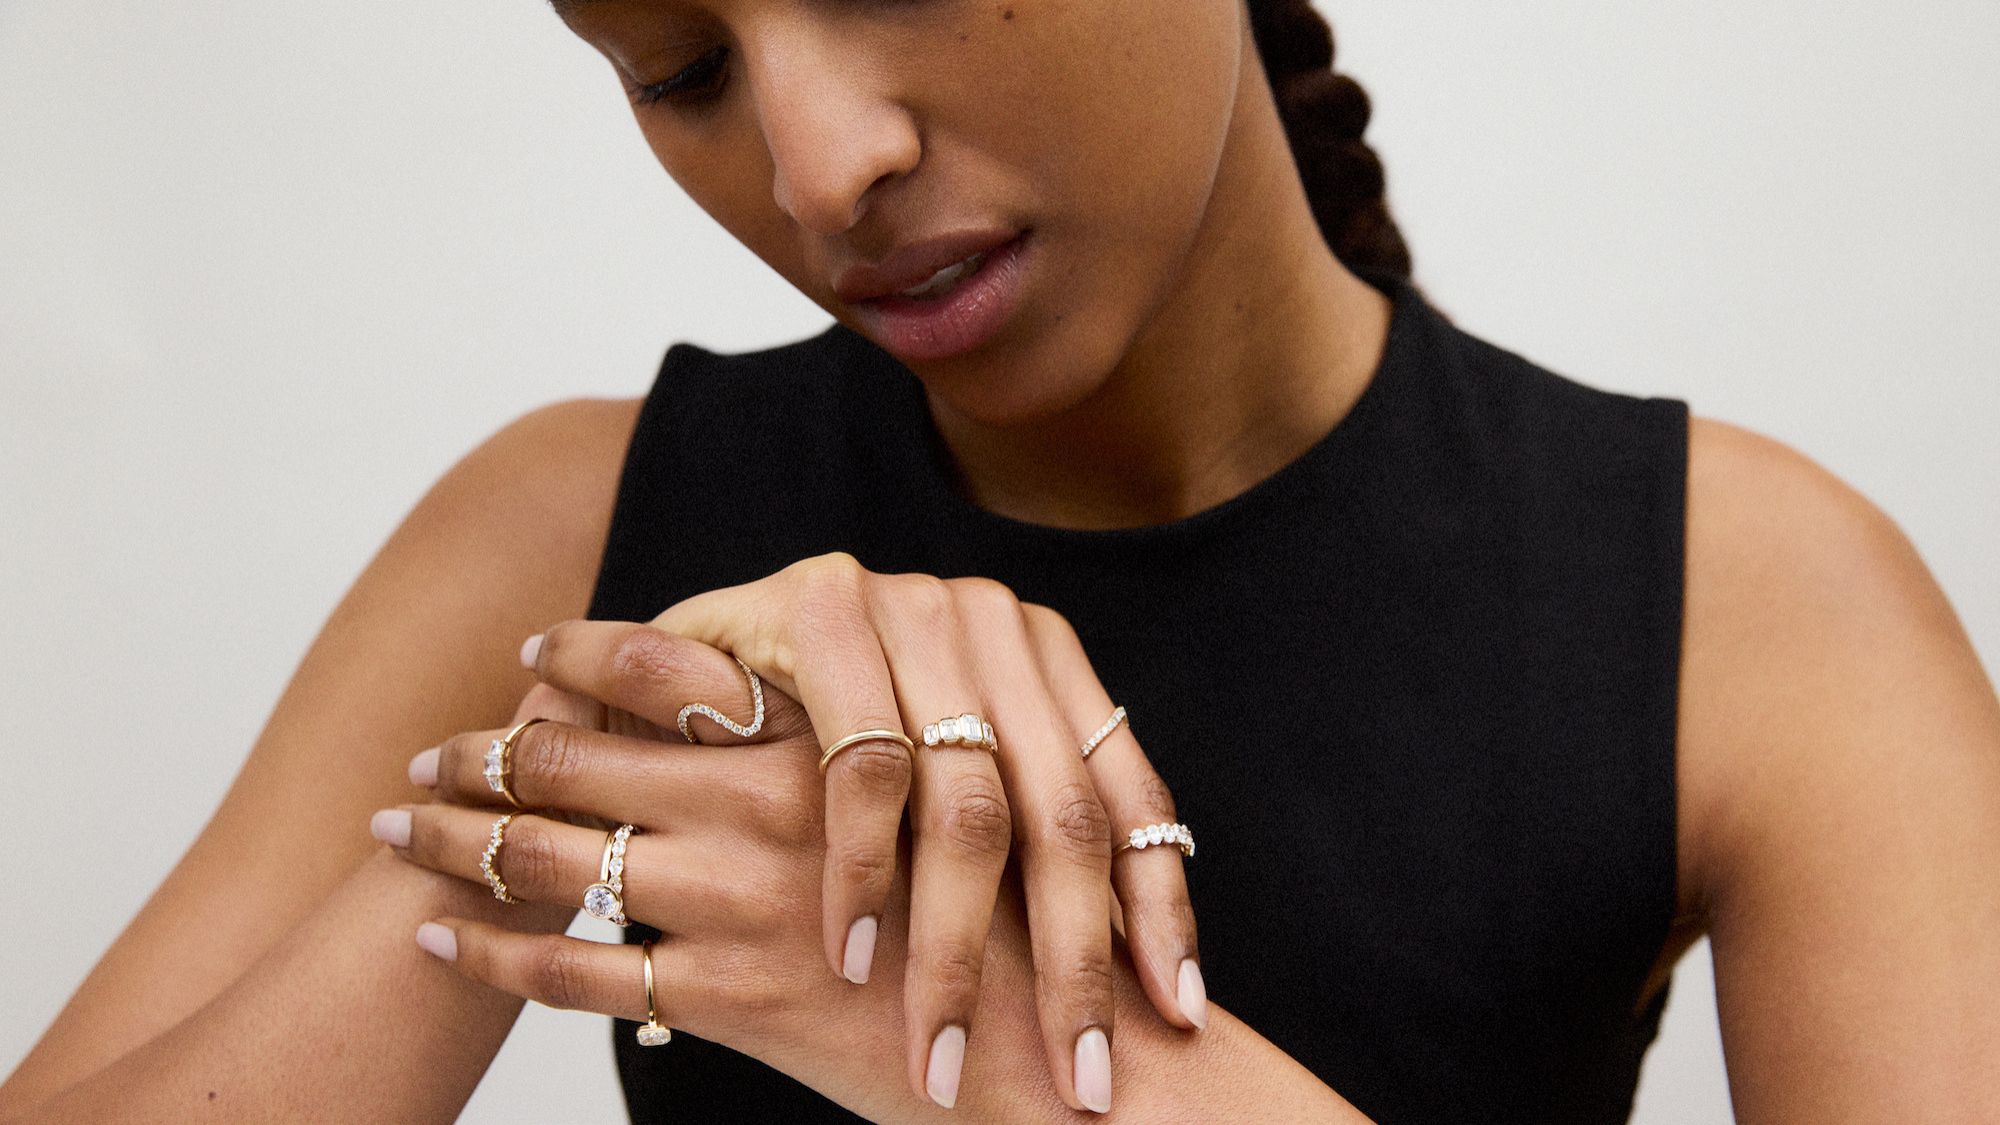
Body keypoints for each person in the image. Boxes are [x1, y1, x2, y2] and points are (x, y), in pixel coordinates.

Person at [3, 1, 1997, 1123]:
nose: (813, 166)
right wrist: (570, 771)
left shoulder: (1749, 605)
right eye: (678, 68)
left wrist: (997, 1050)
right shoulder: (573, 538)